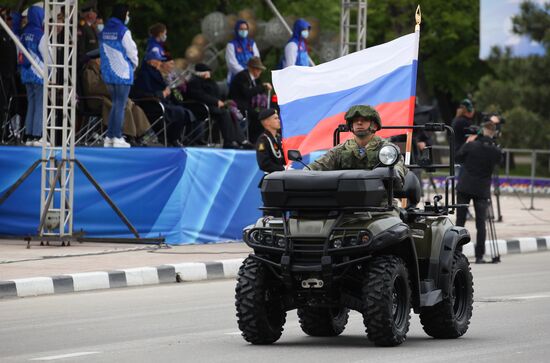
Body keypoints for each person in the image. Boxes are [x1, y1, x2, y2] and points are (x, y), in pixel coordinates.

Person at [308, 105, 406, 190]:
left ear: (375, 126)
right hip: (345, 204)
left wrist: (394, 176)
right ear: (351, 126)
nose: (359, 123)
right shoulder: (339, 150)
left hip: (380, 204)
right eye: (355, 121)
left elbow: (397, 171)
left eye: (364, 120)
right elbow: (314, 168)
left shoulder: (388, 150)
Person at [81, 50, 154, 146]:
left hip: (106, 98)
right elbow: (92, 88)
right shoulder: (89, 71)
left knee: (132, 106)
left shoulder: (102, 71)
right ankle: (128, 134)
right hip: (96, 101)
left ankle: (140, 134)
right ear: (96, 60)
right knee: (123, 108)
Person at [455, 121, 502, 264]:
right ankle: (479, 256)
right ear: (493, 133)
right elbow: (500, 160)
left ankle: (457, 253)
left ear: (481, 131)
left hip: (465, 187)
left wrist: (468, 142)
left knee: (460, 221)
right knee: (481, 223)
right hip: (482, 190)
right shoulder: (495, 150)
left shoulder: (471, 145)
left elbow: (458, 157)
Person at [132, 52, 200, 147]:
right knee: (179, 112)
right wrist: (162, 94)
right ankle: (172, 138)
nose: (160, 63)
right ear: (151, 61)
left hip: (160, 102)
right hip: (151, 104)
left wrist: (168, 93)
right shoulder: (144, 75)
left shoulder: (155, 73)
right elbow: (141, 94)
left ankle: (174, 138)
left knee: (184, 111)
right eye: (158, 60)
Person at [185, 63, 252, 149]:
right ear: (204, 73)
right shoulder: (194, 82)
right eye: (208, 72)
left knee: (230, 112)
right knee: (224, 114)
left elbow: (214, 92)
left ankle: (240, 140)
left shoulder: (207, 82)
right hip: (199, 107)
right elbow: (200, 95)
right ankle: (229, 141)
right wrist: (216, 102)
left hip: (210, 106)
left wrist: (209, 81)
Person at [99, 3, 138, 148]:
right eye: (127, 14)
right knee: (120, 105)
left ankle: (109, 137)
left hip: (108, 72)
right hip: (122, 72)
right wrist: (133, 66)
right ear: (123, 14)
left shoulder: (104, 30)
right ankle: (116, 136)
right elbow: (131, 51)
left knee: (115, 104)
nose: (128, 17)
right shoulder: (123, 31)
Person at [20, 4, 49, 146]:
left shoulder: (24, 33)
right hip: (39, 73)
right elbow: (47, 56)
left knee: (31, 103)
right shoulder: (40, 34)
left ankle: (29, 135)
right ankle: (37, 136)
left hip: (26, 73)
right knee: (40, 104)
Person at [229, 56, 272, 143]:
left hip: (246, 105)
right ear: (253, 69)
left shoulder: (251, 79)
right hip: (238, 105)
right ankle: (252, 140)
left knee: (262, 115)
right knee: (260, 117)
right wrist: (262, 87)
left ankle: (253, 140)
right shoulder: (242, 77)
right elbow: (247, 93)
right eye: (258, 69)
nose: (260, 72)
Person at [256, 108, 285, 173]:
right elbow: (264, 164)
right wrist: (282, 168)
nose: (279, 120)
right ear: (267, 122)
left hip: (281, 175)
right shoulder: (263, 140)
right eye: (275, 118)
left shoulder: (278, 137)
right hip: (271, 178)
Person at [77, 1, 99, 69]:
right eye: (95, 13)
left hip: (93, 63)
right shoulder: (83, 27)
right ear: (90, 14)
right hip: (86, 65)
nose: (96, 15)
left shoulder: (91, 27)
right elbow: (81, 47)